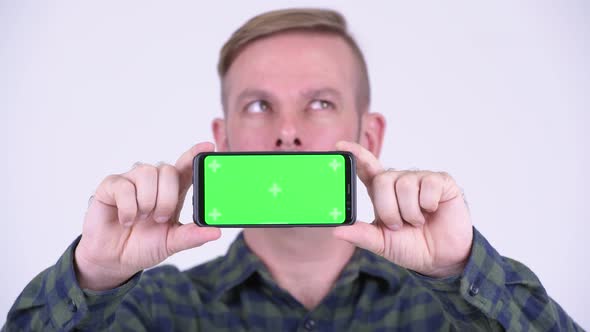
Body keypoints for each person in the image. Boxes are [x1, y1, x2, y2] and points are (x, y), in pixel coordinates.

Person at [4, 8, 581, 331]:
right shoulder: (148, 310)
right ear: (223, 142)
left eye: (320, 103)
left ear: (369, 136)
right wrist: (93, 275)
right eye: (259, 105)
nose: (287, 132)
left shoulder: (450, 308)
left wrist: (461, 267)